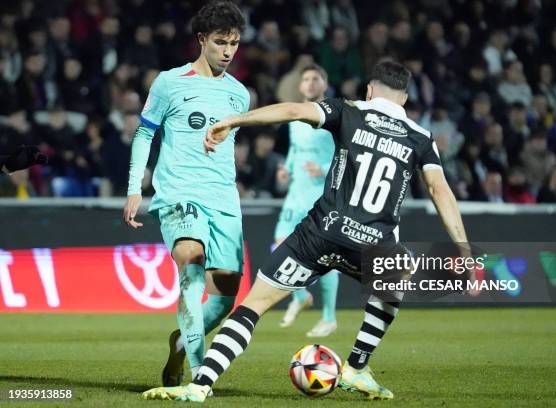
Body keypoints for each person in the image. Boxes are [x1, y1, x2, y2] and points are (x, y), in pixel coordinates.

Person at [142, 60, 476, 402]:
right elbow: (439, 190)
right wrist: (463, 250)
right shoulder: (421, 138)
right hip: (372, 244)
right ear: (404, 98)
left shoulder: (347, 111)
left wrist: (235, 120)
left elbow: (291, 110)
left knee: (252, 306)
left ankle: (200, 385)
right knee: (400, 270)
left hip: (319, 234)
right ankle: (357, 366)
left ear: (370, 90)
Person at [122, 0, 250, 389]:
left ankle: (181, 341)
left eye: (235, 43)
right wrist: (134, 189)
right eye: (220, 42)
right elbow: (145, 133)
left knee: (225, 297)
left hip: (223, 200)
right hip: (179, 194)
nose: (228, 51)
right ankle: (199, 374)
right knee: (192, 268)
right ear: (201, 40)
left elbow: (224, 147)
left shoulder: (240, 95)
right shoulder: (169, 82)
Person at [274, 63, 339, 337]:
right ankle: (300, 298)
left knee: (324, 257)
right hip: (296, 195)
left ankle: (329, 317)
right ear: (300, 86)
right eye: (307, 79)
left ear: (324, 84)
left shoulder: (334, 116)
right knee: (279, 246)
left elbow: (345, 155)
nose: (310, 83)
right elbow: (294, 150)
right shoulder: (295, 116)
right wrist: (286, 168)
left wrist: (323, 169)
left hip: (320, 195)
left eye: (316, 78)